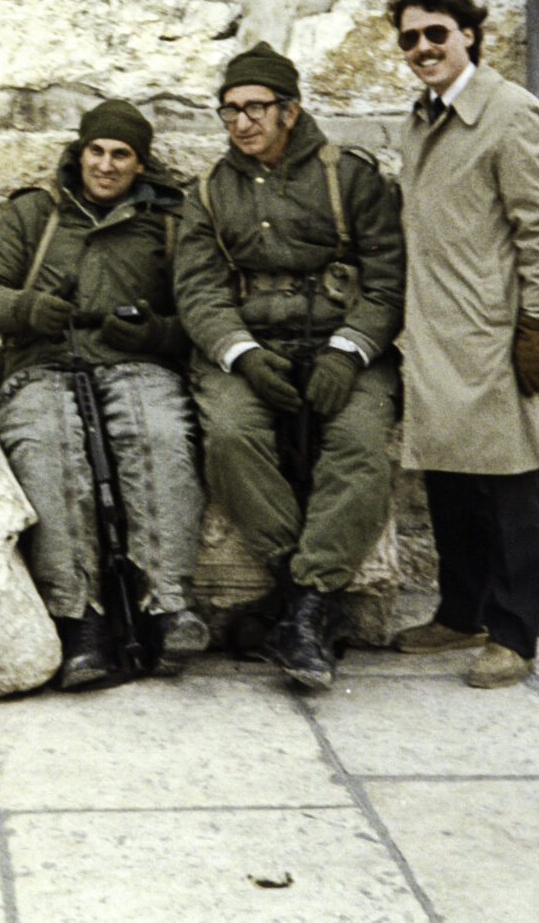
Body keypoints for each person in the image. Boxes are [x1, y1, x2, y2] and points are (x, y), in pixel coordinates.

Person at [174, 42, 405, 692]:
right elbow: (198, 290)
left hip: (343, 341)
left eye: (255, 108)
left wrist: (349, 351)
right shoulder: (210, 191)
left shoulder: (350, 178)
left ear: (290, 111)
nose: (241, 122)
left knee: (360, 442)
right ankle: (306, 597)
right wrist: (243, 356)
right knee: (229, 434)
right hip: (249, 346)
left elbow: (388, 280)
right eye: (230, 110)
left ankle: (302, 604)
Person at [0, 99, 210, 688]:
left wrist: (154, 332)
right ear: (80, 152)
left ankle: (166, 605)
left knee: (162, 436)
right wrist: (26, 308)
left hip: (135, 363)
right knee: (47, 446)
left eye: (121, 155)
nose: (106, 165)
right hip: (43, 363)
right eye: (96, 151)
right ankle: (79, 619)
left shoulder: (169, 221)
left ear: (140, 164)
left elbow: (200, 311)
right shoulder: (36, 212)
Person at [388, 0, 539, 689]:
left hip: (496, 334)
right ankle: (460, 612)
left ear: (468, 33)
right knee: (452, 485)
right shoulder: (424, 118)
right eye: (410, 37)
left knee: (512, 489)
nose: (423, 47)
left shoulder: (510, 114)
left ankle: (515, 635)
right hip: (438, 334)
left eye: (436, 32)